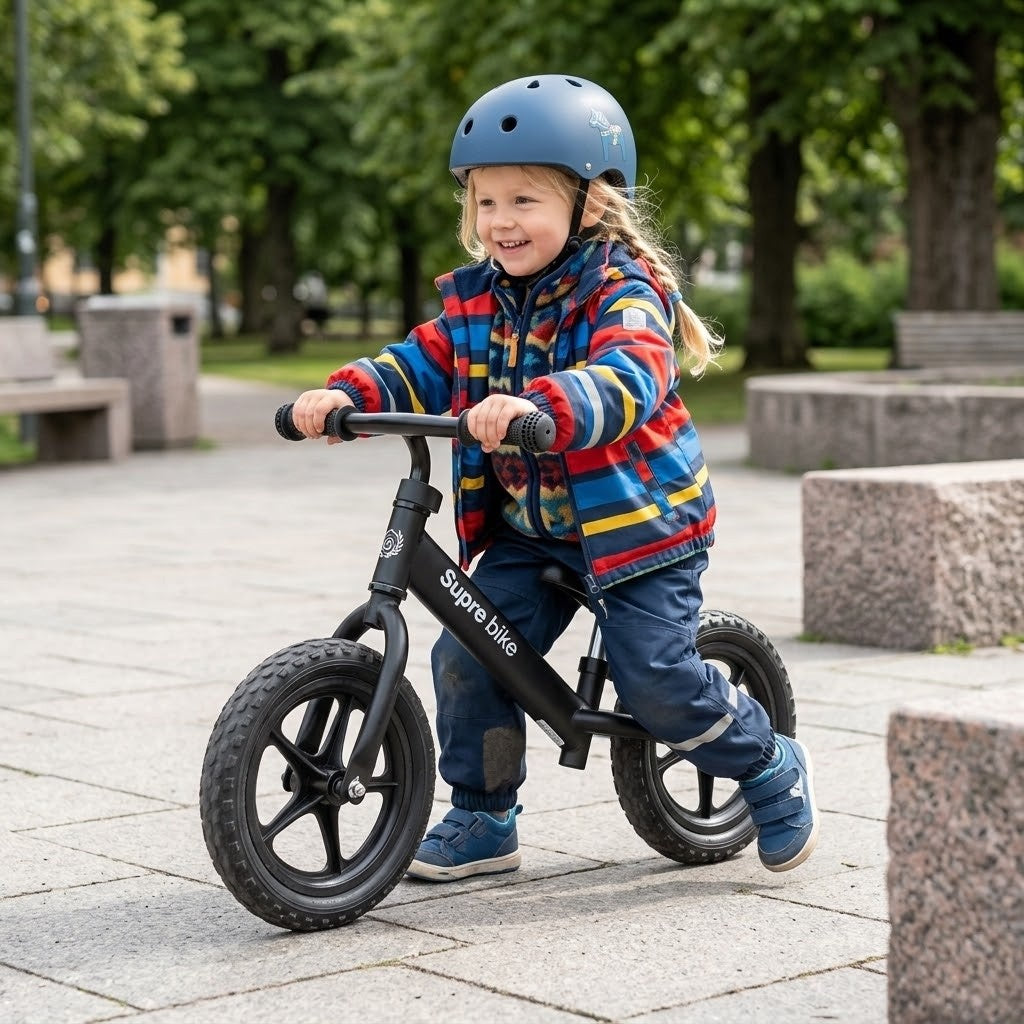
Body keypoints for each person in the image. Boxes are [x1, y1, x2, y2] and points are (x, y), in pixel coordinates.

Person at [290, 74, 819, 881]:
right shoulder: (474, 303)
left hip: (639, 530)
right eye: (486, 202)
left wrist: (542, 403)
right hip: (532, 531)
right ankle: (485, 816)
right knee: (467, 656)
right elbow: (419, 360)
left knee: (656, 681)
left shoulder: (622, 292)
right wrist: (348, 394)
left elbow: (627, 375)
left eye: (525, 201)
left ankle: (770, 765)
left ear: (590, 204)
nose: (501, 221)